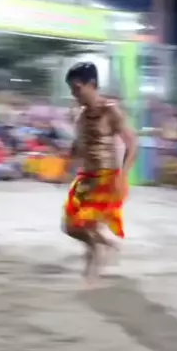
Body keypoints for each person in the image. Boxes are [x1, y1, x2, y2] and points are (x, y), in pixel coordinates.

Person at [62, 62, 137, 285]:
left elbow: (132, 144)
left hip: (107, 178)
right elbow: (79, 144)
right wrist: (68, 164)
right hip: (86, 177)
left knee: (88, 227)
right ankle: (105, 247)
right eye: (71, 89)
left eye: (77, 88)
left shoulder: (110, 110)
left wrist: (123, 175)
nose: (74, 94)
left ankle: (92, 278)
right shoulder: (81, 116)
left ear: (92, 84)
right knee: (70, 227)